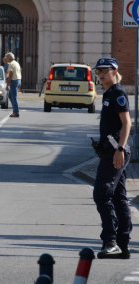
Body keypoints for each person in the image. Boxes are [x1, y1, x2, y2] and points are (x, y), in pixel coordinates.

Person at [92, 57, 132, 259]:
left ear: (114, 72)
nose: (100, 75)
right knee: (118, 197)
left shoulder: (118, 94)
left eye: (104, 71)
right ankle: (123, 244)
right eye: (98, 71)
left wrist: (121, 149)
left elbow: (127, 123)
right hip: (112, 150)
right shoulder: (109, 93)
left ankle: (111, 241)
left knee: (102, 194)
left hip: (116, 151)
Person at [5, 52, 22, 117]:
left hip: (14, 81)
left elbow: (11, 74)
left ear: (9, 58)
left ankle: (16, 111)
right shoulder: (16, 63)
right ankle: (15, 108)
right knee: (10, 95)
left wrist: (7, 85)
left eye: (6, 57)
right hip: (18, 80)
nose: (6, 59)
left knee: (14, 97)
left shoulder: (11, 64)